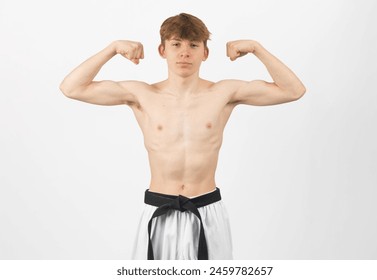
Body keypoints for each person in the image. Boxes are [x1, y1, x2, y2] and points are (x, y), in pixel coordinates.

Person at [59, 13, 306, 260]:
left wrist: (256, 48)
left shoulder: (223, 92)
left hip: (207, 211)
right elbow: (71, 88)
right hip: (159, 210)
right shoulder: (142, 94)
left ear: (205, 53)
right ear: (162, 50)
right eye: (176, 44)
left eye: (193, 45)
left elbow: (293, 90)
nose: (184, 53)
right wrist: (112, 49)